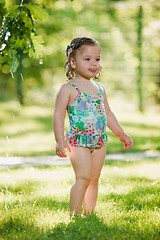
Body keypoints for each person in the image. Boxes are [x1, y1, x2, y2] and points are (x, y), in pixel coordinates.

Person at [53, 37, 133, 216]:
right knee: (83, 177)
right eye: (87, 59)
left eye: (97, 59)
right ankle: (75, 214)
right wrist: (59, 140)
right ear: (73, 63)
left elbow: (108, 114)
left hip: (99, 141)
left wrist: (121, 133)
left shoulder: (99, 88)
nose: (94, 63)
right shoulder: (68, 88)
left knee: (94, 178)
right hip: (78, 141)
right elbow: (58, 115)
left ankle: (89, 214)